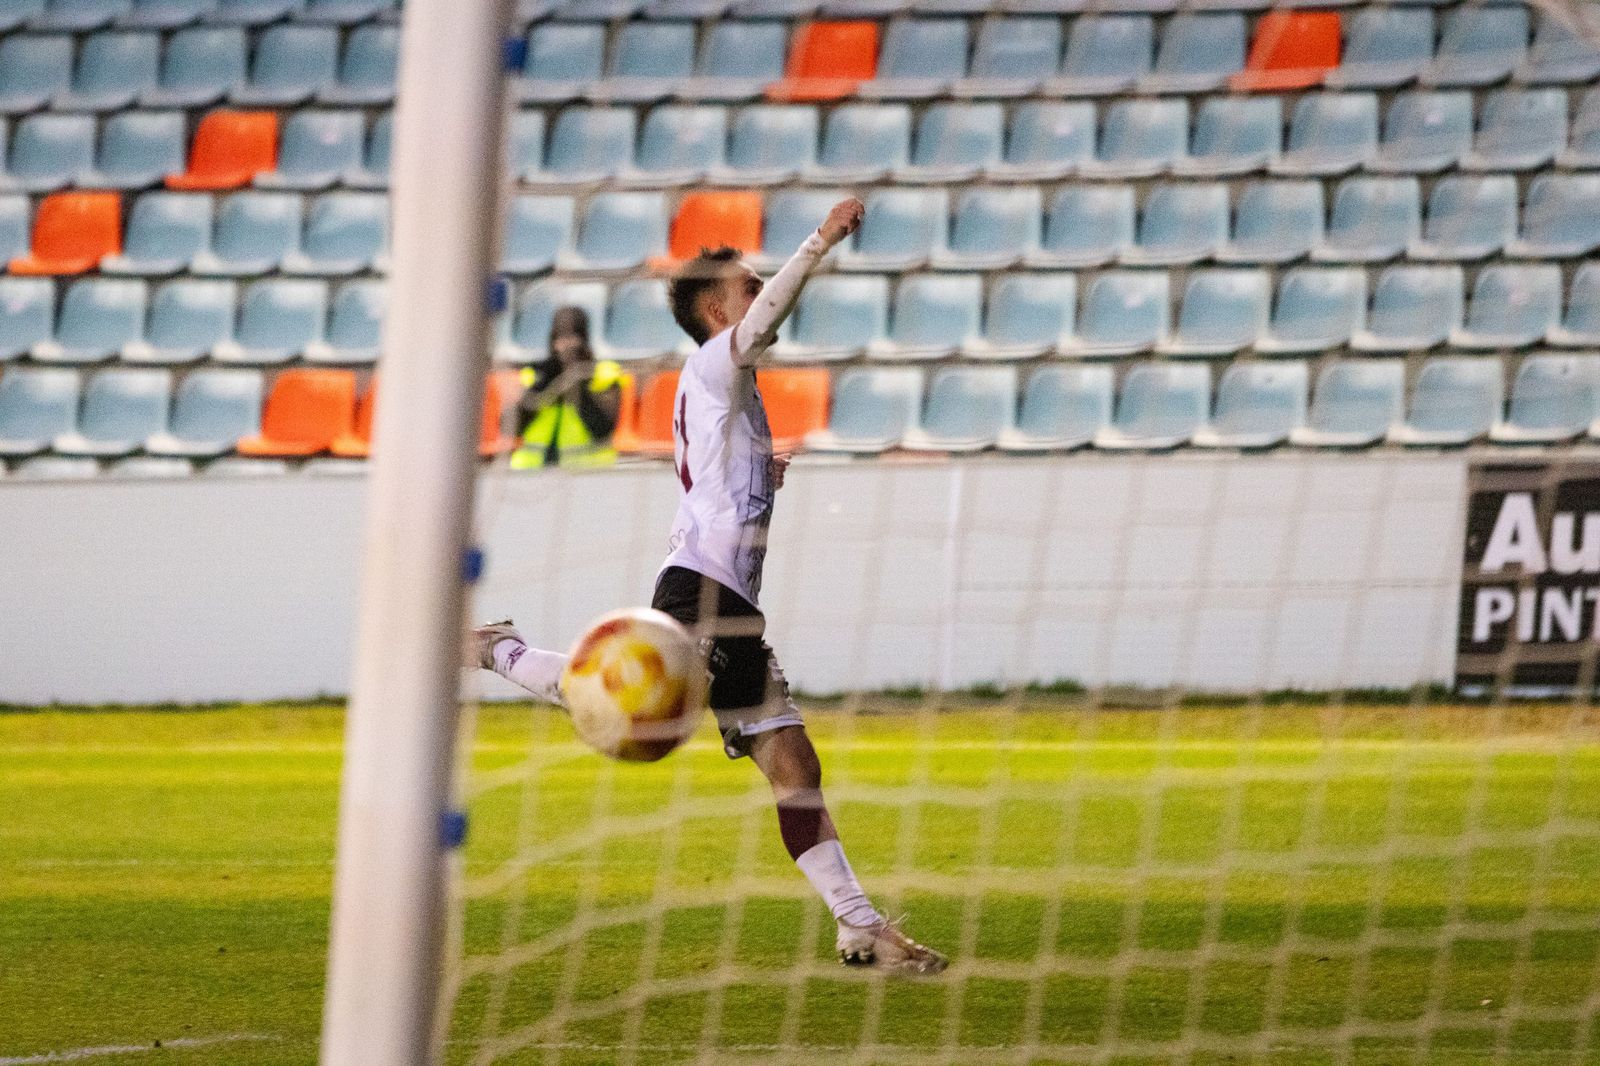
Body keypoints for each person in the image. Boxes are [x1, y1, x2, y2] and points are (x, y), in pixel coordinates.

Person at [470, 198, 948, 975]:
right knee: (622, 703)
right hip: (700, 594)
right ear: (719, 309)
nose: (761, 293)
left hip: (734, 608)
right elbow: (750, 350)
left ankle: (858, 927)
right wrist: (820, 241)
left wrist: (766, 473)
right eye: (749, 285)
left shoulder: (726, 388)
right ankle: (500, 651)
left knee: (795, 766)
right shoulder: (717, 358)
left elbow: (707, 479)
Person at [509, 305, 624, 469]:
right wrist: (546, 383)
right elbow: (512, 427)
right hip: (531, 471)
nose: (566, 346)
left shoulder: (603, 375)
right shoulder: (535, 375)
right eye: (560, 339)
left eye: (573, 338)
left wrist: (576, 382)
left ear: (584, 339)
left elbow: (603, 430)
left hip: (589, 473)